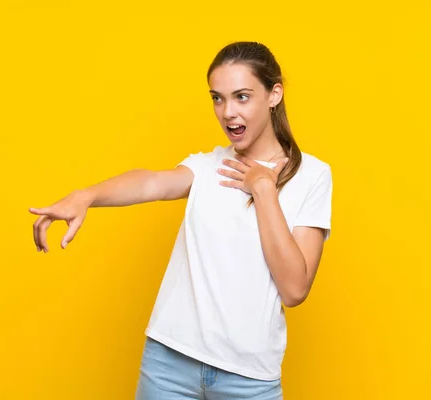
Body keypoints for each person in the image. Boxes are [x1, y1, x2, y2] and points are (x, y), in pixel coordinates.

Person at [29, 41, 332, 400]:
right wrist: (87, 196)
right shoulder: (208, 166)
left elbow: (295, 289)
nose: (228, 112)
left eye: (242, 96)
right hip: (168, 364)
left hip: (249, 378)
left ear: (273, 94)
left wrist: (264, 190)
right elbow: (151, 182)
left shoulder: (312, 175)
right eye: (217, 98)